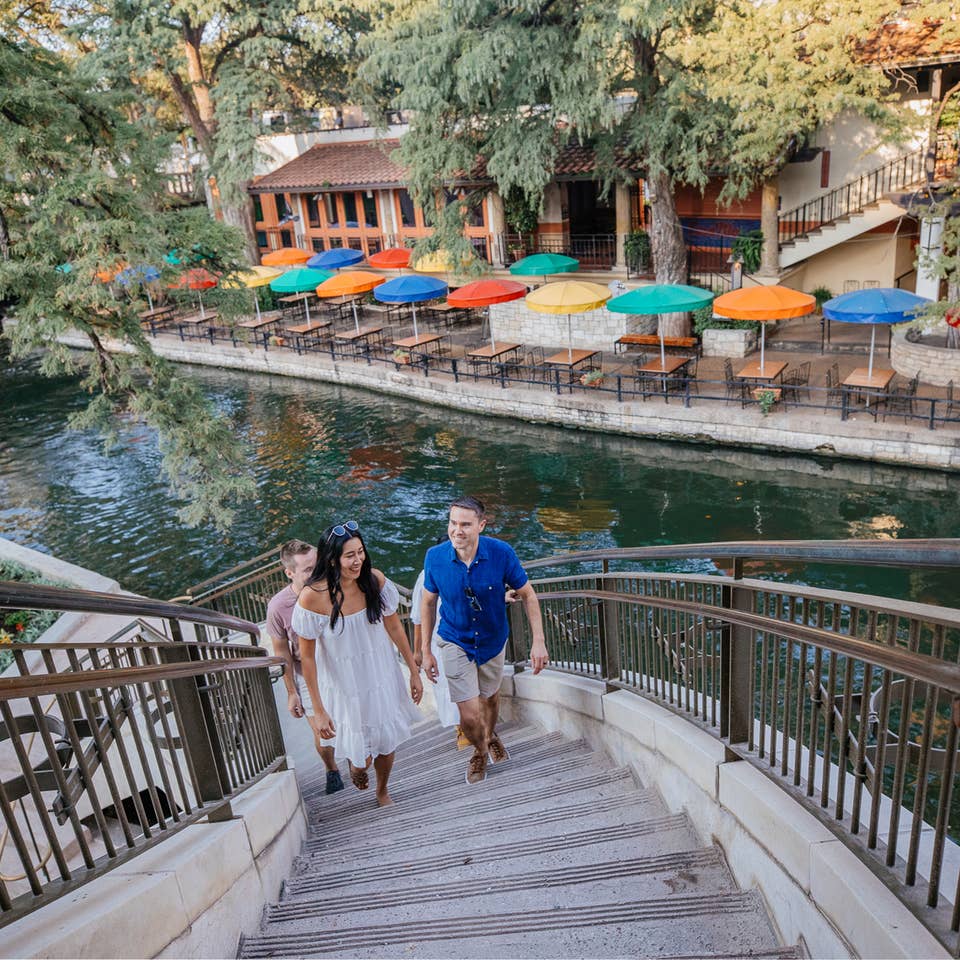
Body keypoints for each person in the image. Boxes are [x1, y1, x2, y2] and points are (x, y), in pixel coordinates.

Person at [293, 521, 423, 807]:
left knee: (386, 741)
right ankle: (357, 767)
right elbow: (308, 659)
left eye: (360, 552)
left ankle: (382, 790)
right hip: (343, 683)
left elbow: (395, 629)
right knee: (361, 757)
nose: (358, 560)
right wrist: (319, 709)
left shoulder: (374, 581)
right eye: (349, 555)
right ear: (331, 559)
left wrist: (414, 672)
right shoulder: (312, 597)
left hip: (380, 675)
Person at [420, 496, 548, 785]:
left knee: (489, 698)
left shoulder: (501, 553)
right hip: (454, 639)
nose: (457, 531)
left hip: (492, 639)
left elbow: (528, 594)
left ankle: (490, 736)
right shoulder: (435, 557)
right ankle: (478, 751)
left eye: (465, 524)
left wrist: (538, 641)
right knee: (468, 712)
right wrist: (424, 650)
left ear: (481, 525)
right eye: (453, 523)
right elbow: (427, 603)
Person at [265, 539, 343, 794]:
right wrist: (291, 692)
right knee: (324, 731)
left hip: (342, 666)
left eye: (317, 565)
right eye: (308, 570)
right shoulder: (279, 606)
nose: (317, 572)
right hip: (307, 674)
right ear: (290, 573)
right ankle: (332, 770)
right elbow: (281, 652)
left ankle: (361, 761)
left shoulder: (335, 587)